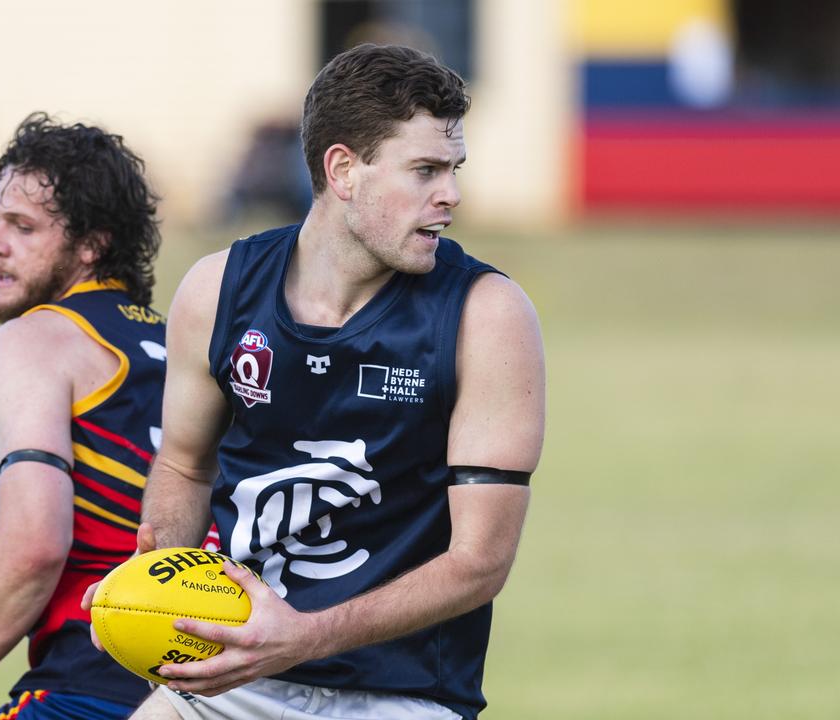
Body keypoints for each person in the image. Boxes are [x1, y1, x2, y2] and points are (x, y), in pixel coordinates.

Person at [83, 44, 546, 720]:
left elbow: (481, 563)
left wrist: (300, 638)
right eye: (425, 170)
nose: (451, 194)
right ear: (343, 170)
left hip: (400, 697)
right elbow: (183, 466)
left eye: (454, 169)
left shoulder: (487, 316)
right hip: (234, 680)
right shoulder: (219, 292)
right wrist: (146, 588)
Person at [0, 112, 167, 720]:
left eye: (22, 227)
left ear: (91, 245)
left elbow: (36, 542)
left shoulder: (37, 339)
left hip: (92, 680)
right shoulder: (181, 344)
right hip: (211, 692)